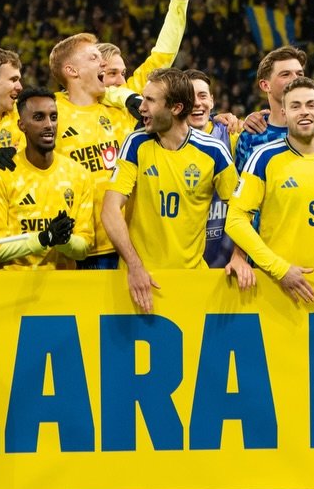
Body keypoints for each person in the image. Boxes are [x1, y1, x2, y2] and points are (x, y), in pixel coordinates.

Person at [102, 69, 240, 313]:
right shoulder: (136, 143)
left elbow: (241, 210)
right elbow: (110, 209)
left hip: (192, 282)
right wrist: (134, 266)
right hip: (139, 282)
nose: (141, 108)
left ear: (176, 108)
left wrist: (239, 256)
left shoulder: (213, 151)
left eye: (150, 100)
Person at [225, 77, 314, 303]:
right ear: (284, 112)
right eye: (295, 106)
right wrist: (279, 269)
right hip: (275, 284)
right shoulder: (263, 158)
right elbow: (235, 218)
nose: (304, 112)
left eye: (311, 105)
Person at [0, 90, 94, 268]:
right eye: (39, 118)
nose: (49, 125)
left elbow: (84, 246)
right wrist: (44, 238)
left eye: (53, 117)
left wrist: (63, 241)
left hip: (63, 289)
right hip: (12, 289)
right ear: (21, 125)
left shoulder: (78, 174)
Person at [49, 32, 132, 267]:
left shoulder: (121, 112)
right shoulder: (47, 112)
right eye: (94, 57)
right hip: (72, 247)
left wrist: (220, 120)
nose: (104, 62)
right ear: (72, 71)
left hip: (125, 246)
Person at [185, 66, 236, 268]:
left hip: (228, 261)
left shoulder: (232, 135)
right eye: (189, 97)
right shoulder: (165, 142)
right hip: (184, 262)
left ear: (212, 100)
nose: (197, 102)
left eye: (202, 95)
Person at [234, 45, 305, 168]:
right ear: (265, 85)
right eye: (285, 74)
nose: (295, 79)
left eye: (299, 74)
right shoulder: (250, 138)